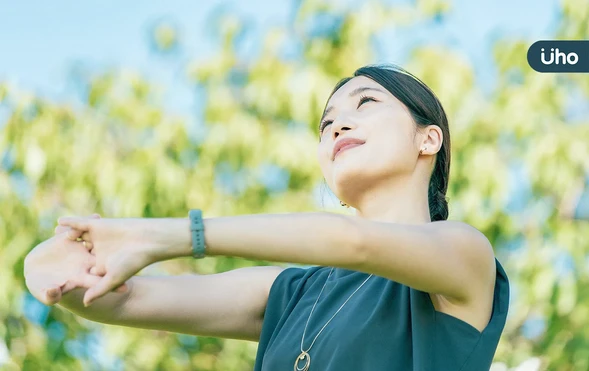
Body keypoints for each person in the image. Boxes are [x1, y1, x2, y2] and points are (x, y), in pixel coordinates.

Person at [24, 64, 509, 370]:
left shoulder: (464, 254)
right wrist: (60, 264)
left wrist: (167, 235)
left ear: (428, 139)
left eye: (367, 103)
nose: (338, 123)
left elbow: (352, 242)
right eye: (326, 123)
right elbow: (119, 301)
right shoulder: (294, 293)